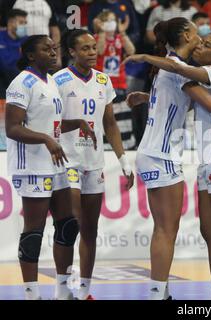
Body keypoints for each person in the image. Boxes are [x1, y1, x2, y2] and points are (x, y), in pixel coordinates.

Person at [124, 17, 211, 300]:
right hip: (164, 154)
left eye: (208, 42)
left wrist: (146, 92)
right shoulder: (178, 67)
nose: (201, 40)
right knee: (171, 230)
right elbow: (188, 85)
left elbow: (200, 98)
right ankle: (160, 294)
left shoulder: (182, 69)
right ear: (186, 34)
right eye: (199, 36)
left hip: (189, 154)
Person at [5, 35, 95, 300]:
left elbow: (52, 125)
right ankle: (32, 294)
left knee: (68, 225)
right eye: (47, 49)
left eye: (54, 48)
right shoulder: (22, 82)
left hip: (56, 164)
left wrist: (76, 122)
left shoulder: (52, 81)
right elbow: (12, 128)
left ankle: (62, 290)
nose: (54, 52)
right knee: (33, 232)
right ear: (31, 55)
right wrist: (46, 139)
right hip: (33, 165)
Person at [53, 29, 135, 300]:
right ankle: (63, 288)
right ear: (72, 52)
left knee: (91, 228)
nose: (92, 52)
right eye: (85, 49)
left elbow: (109, 123)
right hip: (68, 160)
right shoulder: (59, 80)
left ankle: (85, 290)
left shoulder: (103, 80)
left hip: (95, 162)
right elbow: (50, 124)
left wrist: (123, 160)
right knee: (70, 224)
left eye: (93, 48)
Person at [93, 9, 136, 150]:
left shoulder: (120, 38)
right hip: (101, 84)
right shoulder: (95, 37)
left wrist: (122, 32)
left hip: (119, 83)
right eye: (107, 20)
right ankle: (105, 145)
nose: (111, 23)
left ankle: (125, 145)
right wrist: (101, 32)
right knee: (105, 115)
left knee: (121, 116)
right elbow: (99, 50)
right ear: (101, 23)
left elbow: (131, 51)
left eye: (113, 20)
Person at [0, 8, 28, 99]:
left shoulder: (27, 41)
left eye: (25, 23)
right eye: (21, 23)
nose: (24, 26)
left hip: (21, 85)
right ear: (10, 23)